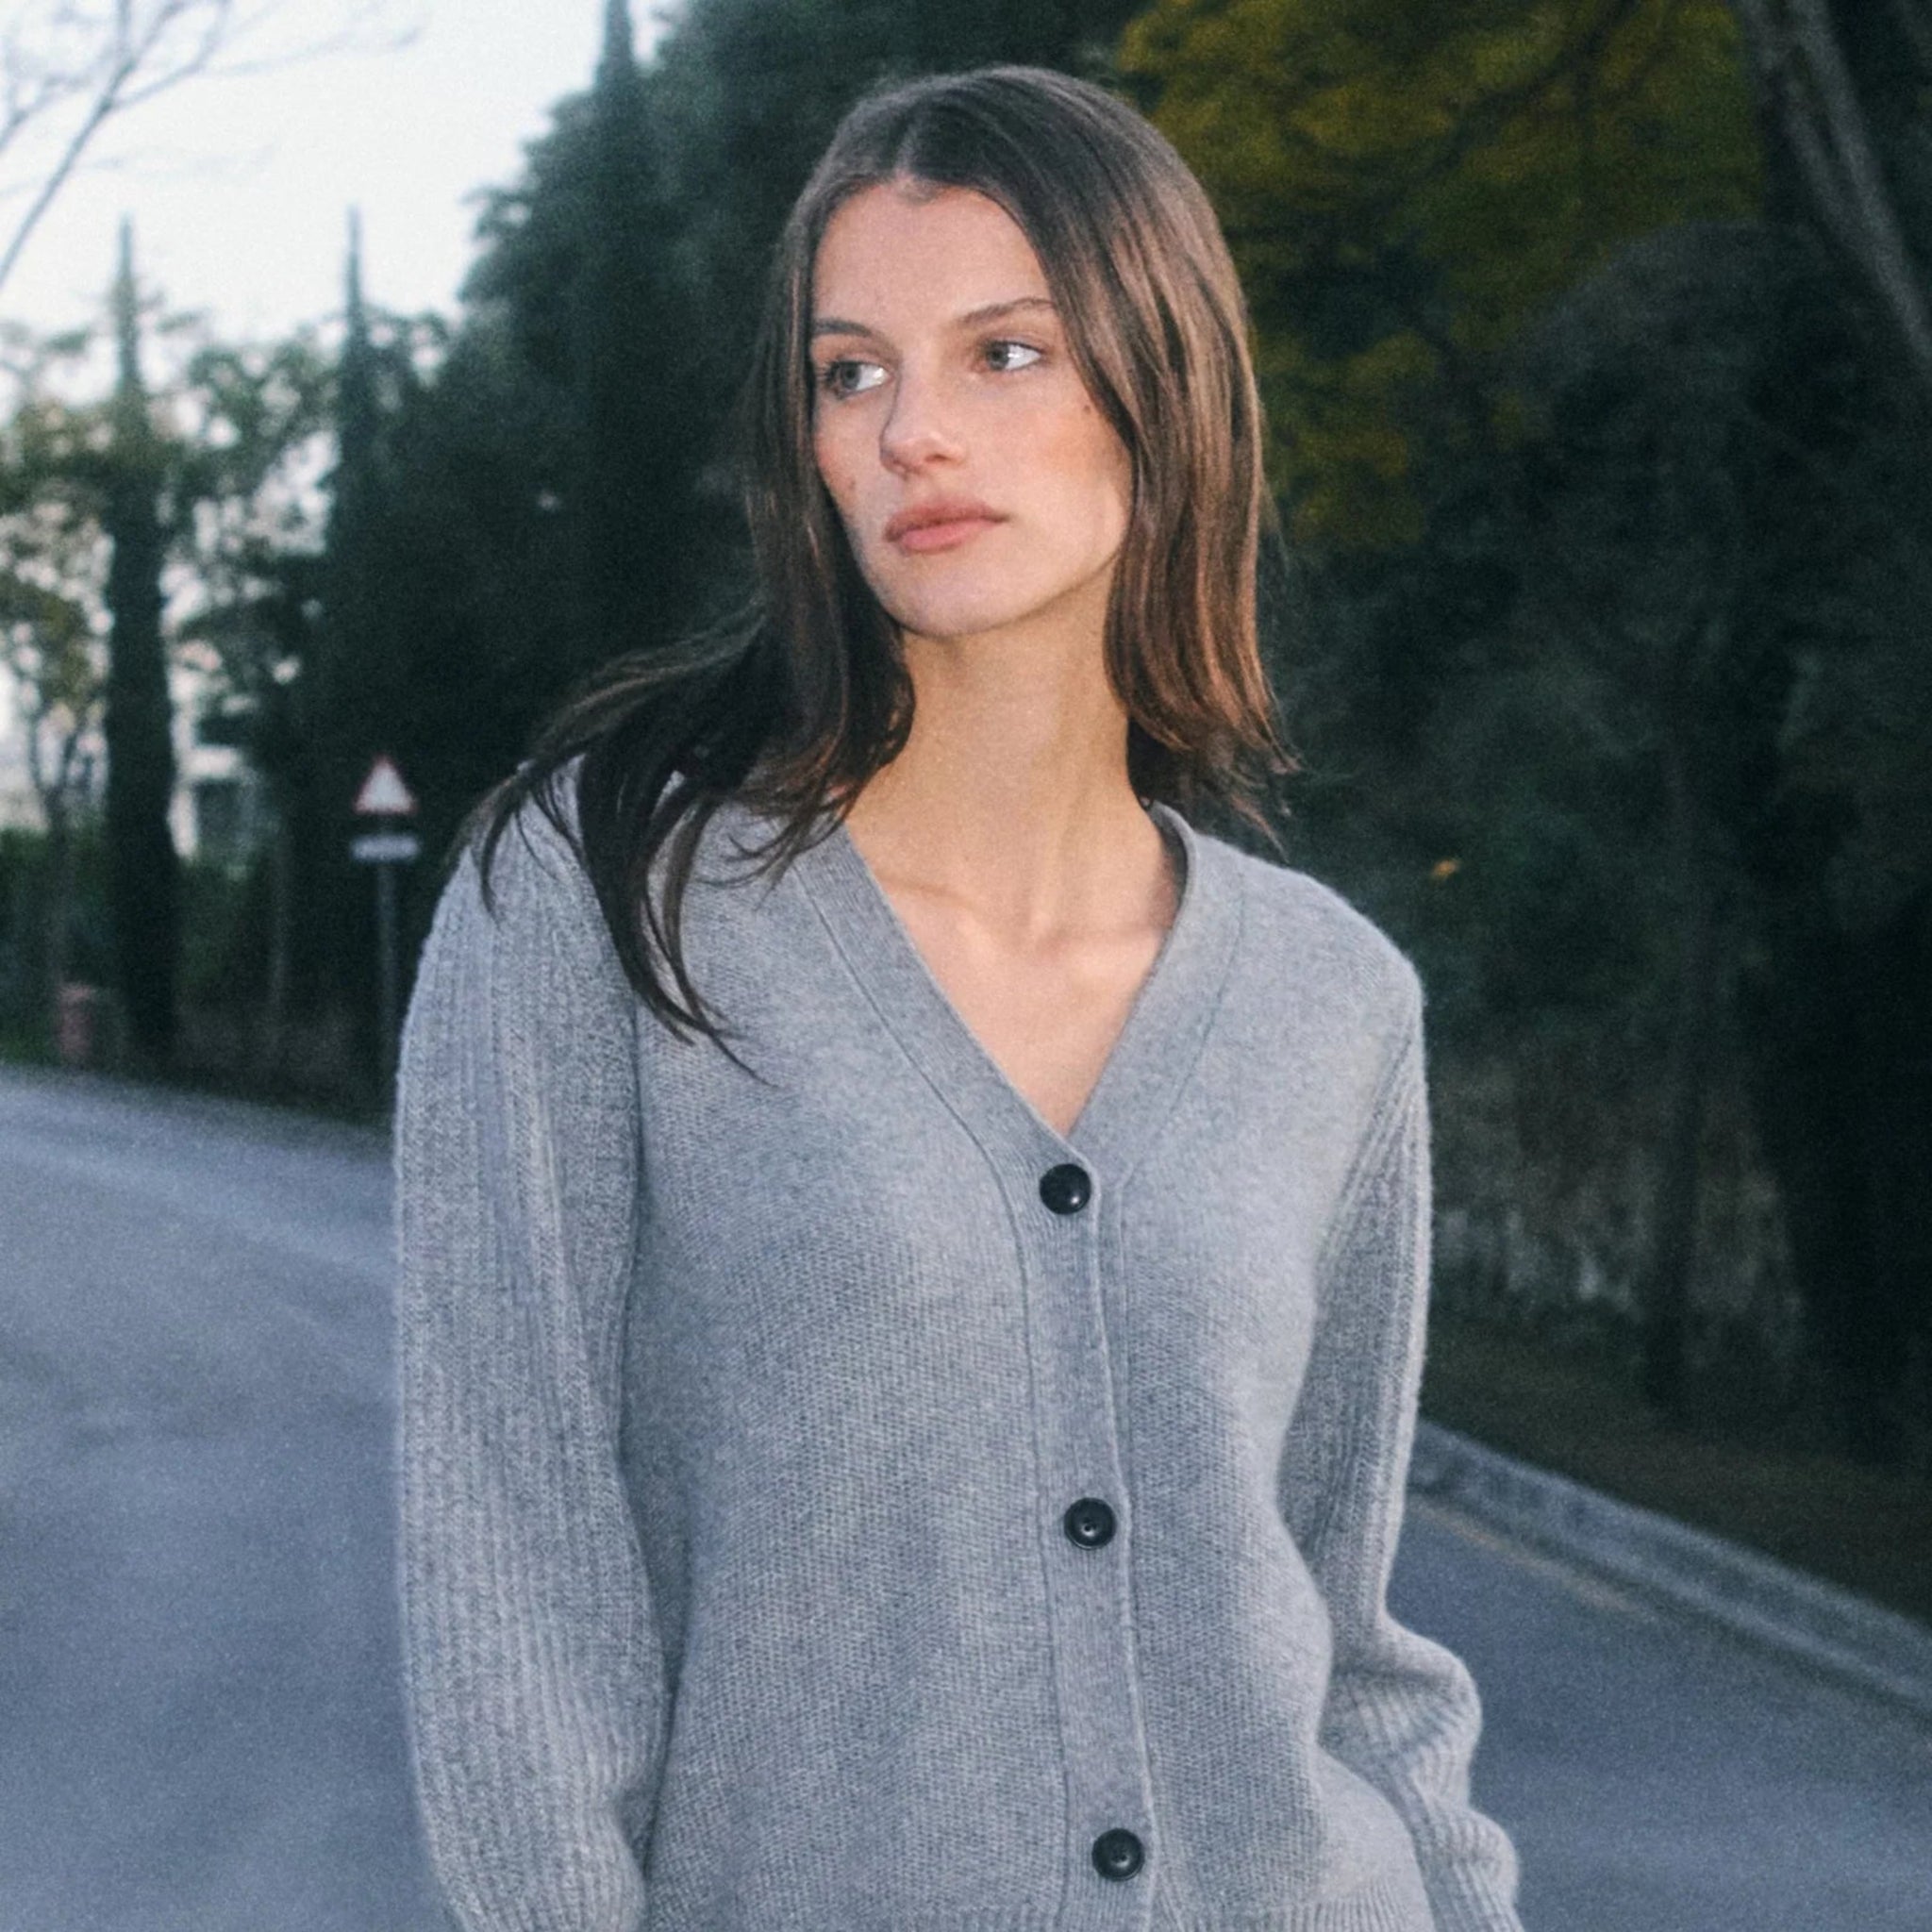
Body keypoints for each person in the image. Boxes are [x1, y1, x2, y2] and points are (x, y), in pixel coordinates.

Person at [394, 64, 1524, 1932]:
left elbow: (1349, 1641)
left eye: (1004, 351)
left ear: (1160, 386)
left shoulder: (1332, 1002)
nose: (915, 427)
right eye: (853, 371)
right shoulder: (598, 903)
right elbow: (515, 1603)